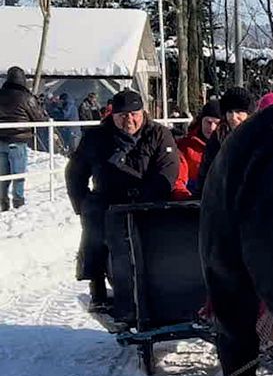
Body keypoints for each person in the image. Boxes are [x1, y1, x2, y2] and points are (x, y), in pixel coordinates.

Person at [65, 90, 179, 310]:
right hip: (108, 199)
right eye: (122, 116)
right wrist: (81, 202)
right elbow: (75, 172)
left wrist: (151, 194)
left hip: (147, 198)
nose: (129, 120)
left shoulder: (159, 134)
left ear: (142, 113)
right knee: (94, 229)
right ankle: (96, 282)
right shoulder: (95, 137)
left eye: (134, 114)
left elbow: (168, 169)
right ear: (113, 115)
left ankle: (165, 286)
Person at [0, 66, 49, 211]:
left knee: (3, 175)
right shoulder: (26, 97)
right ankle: (18, 202)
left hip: (0, 139)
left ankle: (2, 202)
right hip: (18, 140)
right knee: (18, 174)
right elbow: (39, 119)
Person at [197, 86, 252, 191]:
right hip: (221, 196)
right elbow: (206, 173)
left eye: (239, 111)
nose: (233, 117)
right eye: (230, 112)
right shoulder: (218, 138)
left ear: (248, 114)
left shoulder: (257, 137)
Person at [172, 99, 222, 199]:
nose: (211, 127)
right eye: (208, 122)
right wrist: (185, 198)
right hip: (193, 197)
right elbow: (178, 178)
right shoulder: (185, 146)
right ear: (201, 121)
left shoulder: (228, 146)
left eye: (216, 123)